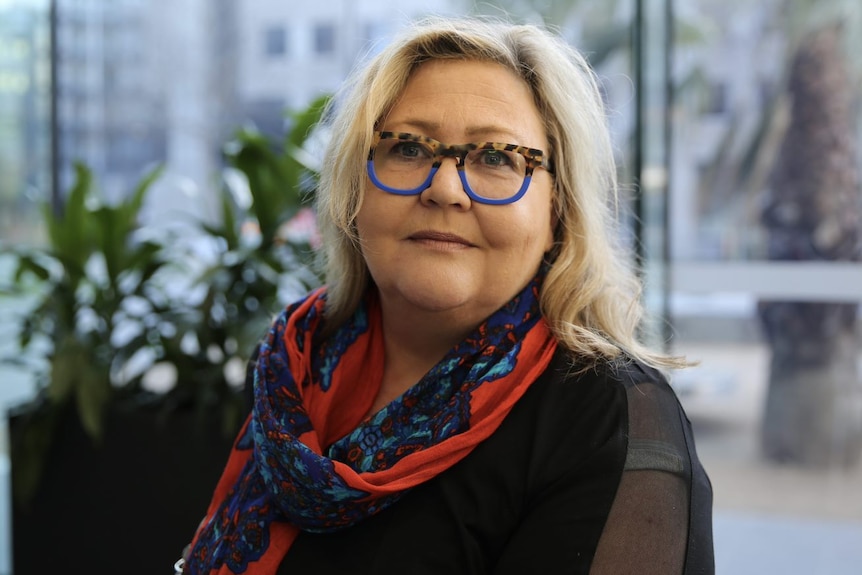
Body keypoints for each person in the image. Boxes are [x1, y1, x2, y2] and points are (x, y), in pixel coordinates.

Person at [178, 16, 714, 575]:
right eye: (408, 148)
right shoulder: (290, 369)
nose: (444, 188)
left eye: (497, 158)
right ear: (354, 187)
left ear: (559, 209)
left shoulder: (611, 421)